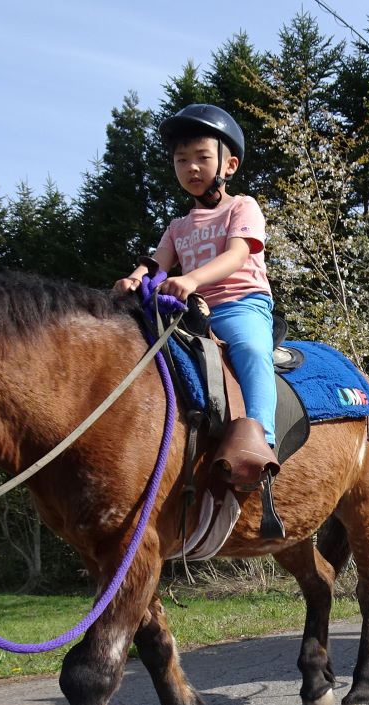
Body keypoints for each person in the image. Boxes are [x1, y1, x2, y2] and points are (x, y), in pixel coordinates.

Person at [114, 103, 277, 489]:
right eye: (181, 160)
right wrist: (136, 278)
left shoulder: (243, 206)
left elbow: (238, 254)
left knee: (253, 350)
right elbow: (158, 263)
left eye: (202, 158)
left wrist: (191, 279)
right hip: (192, 311)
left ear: (229, 165)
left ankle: (260, 439)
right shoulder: (177, 226)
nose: (191, 168)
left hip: (241, 304)